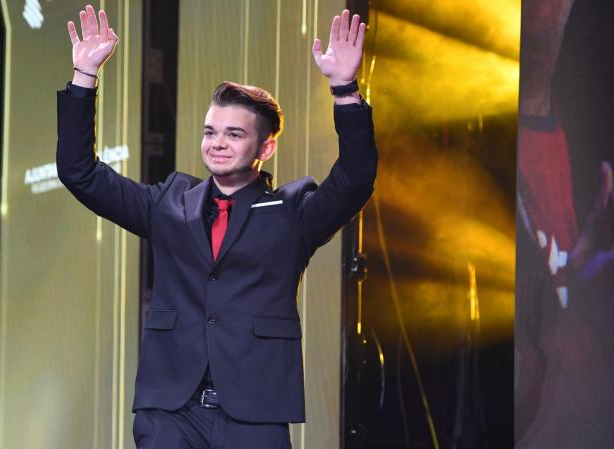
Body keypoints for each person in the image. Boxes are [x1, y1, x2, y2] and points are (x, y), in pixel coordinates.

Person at [57, 5, 377, 448]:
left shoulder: (292, 213)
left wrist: (344, 89)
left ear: (266, 147)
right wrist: (84, 76)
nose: (217, 143)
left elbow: (355, 178)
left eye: (234, 134)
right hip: (170, 412)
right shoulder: (169, 202)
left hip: (255, 413)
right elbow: (80, 173)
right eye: (210, 132)